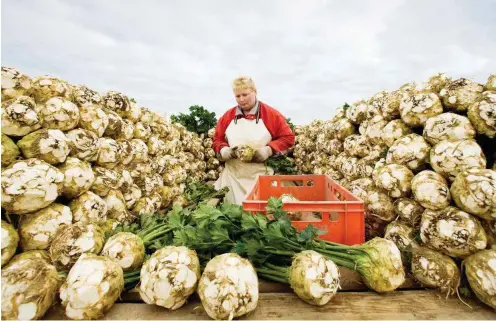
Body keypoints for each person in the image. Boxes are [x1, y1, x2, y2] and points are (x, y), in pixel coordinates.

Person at [213, 76, 295, 205]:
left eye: (245, 94)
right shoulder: (227, 117)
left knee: (260, 213)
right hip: (234, 177)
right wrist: (224, 150)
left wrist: (269, 150)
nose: (241, 99)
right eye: (237, 96)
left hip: (260, 176)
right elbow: (217, 139)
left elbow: (288, 138)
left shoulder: (271, 115)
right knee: (234, 214)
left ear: (255, 91)